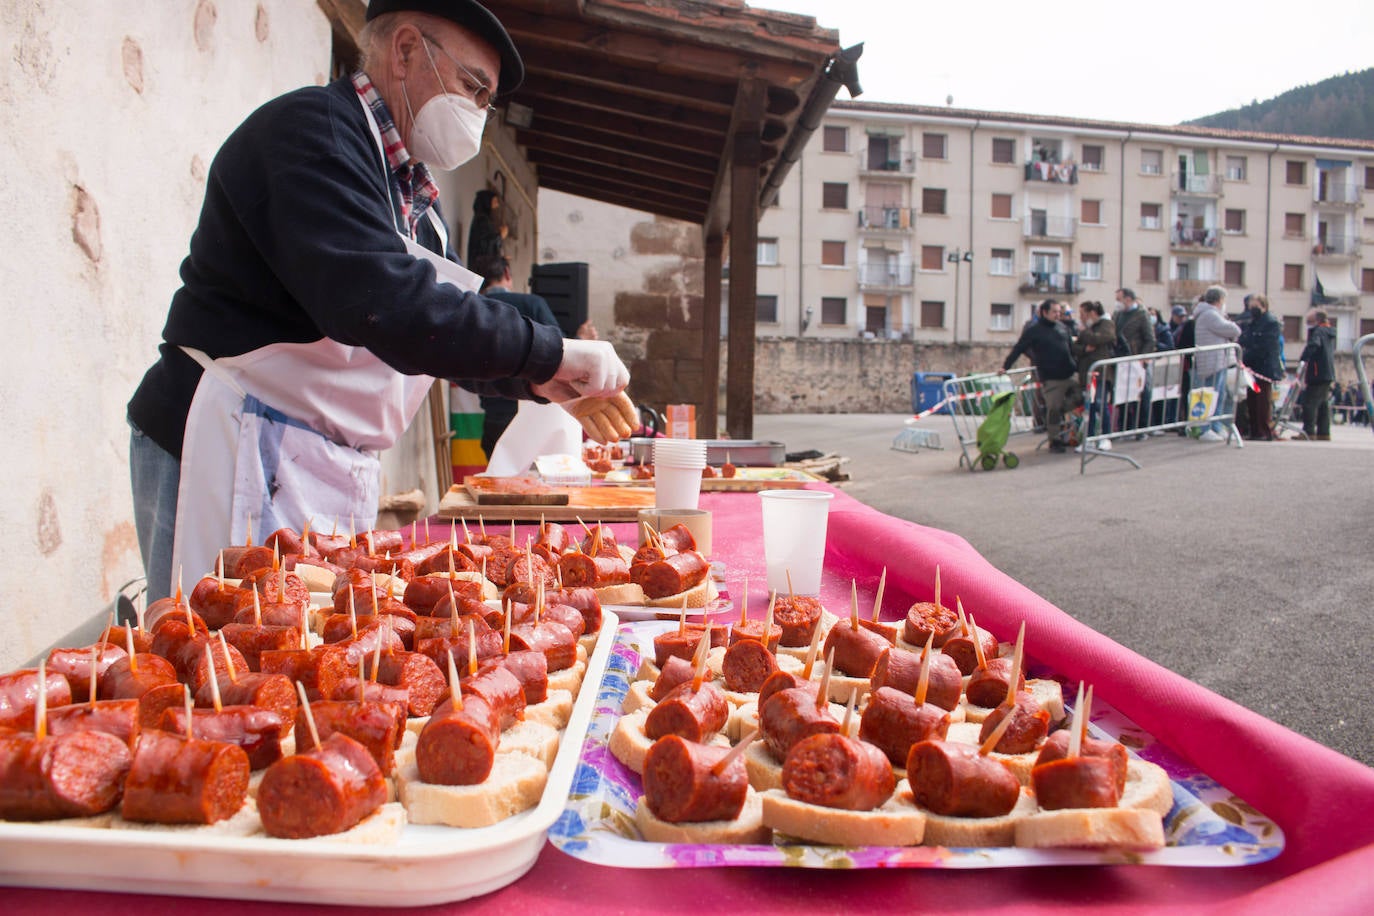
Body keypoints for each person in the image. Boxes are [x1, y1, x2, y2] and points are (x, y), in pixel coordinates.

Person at [126, 0, 631, 601]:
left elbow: (432, 336)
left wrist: (535, 381)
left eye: (485, 101)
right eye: (472, 88)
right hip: (231, 440)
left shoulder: (418, 197)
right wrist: (547, 353)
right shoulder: (312, 133)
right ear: (407, 50)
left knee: (322, 664)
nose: (477, 115)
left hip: (323, 460)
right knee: (215, 655)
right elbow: (384, 303)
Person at [473, 254, 562, 458]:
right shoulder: (533, 304)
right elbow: (559, 352)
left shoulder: (472, 308)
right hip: (534, 419)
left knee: (496, 485)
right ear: (506, 273)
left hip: (495, 418)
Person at [1003, 299, 1079, 453]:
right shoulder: (1034, 330)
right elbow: (1019, 348)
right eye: (1054, 312)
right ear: (1045, 313)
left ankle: (1054, 414)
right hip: (1051, 377)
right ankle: (1055, 440)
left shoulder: (1063, 328)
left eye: (1059, 312)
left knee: (1080, 397)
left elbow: (1071, 348)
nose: (1058, 315)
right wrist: (1006, 366)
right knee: (1053, 409)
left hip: (1069, 373)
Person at [1190, 286, 1241, 441]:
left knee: (1219, 396)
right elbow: (1233, 330)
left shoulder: (1208, 314)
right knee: (1210, 396)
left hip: (1217, 361)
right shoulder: (1210, 314)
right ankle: (1205, 428)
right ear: (1219, 300)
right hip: (1212, 362)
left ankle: (1216, 426)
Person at [1238, 294, 1283, 440]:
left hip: (1264, 367)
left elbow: (1266, 345)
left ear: (1263, 306)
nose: (1252, 309)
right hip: (1253, 367)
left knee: (1262, 400)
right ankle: (1255, 430)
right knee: (1252, 399)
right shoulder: (1254, 322)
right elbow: (1247, 339)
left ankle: (1264, 430)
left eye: (1255, 306)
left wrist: (1249, 355)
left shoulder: (1270, 322)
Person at [1112, 288, 1156, 436]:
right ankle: (1124, 428)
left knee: (1141, 396)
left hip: (1138, 360)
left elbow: (1150, 339)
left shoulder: (1142, 315)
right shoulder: (1117, 315)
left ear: (1128, 299)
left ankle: (1142, 429)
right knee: (1123, 396)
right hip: (1123, 361)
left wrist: (1143, 358)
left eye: (1119, 299)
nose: (1117, 303)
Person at [1072, 300, 1115, 450]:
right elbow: (1075, 346)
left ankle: (1105, 436)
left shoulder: (1106, 325)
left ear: (1092, 313)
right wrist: (1085, 348)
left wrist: (1085, 331)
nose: (1081, 318)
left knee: (1100, 403)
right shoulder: (1090, 329)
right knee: (1088, 405)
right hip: (1087, 373)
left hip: (1100, 373)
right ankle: (1088, 438)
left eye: (1083, 314)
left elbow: (1100, 338)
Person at [1298, 309, 1336, 440]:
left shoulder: (1318, 332)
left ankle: (1308, 431)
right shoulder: (1329, 332)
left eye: (1309, 322)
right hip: (1327, 372)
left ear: (1318, 321)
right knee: (1323, 404)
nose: (1308, 324)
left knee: (1310, 403)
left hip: (1317, 372)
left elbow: (1314, 345)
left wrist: (1304, 358)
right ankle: (1323, 432)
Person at [466, 189, 505, 266]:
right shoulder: (482, 220)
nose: (497, 205)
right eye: (495, 202)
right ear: (487, 202)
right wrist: (500, 235)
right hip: (481, 267)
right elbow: (485, 245)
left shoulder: (483, 219)